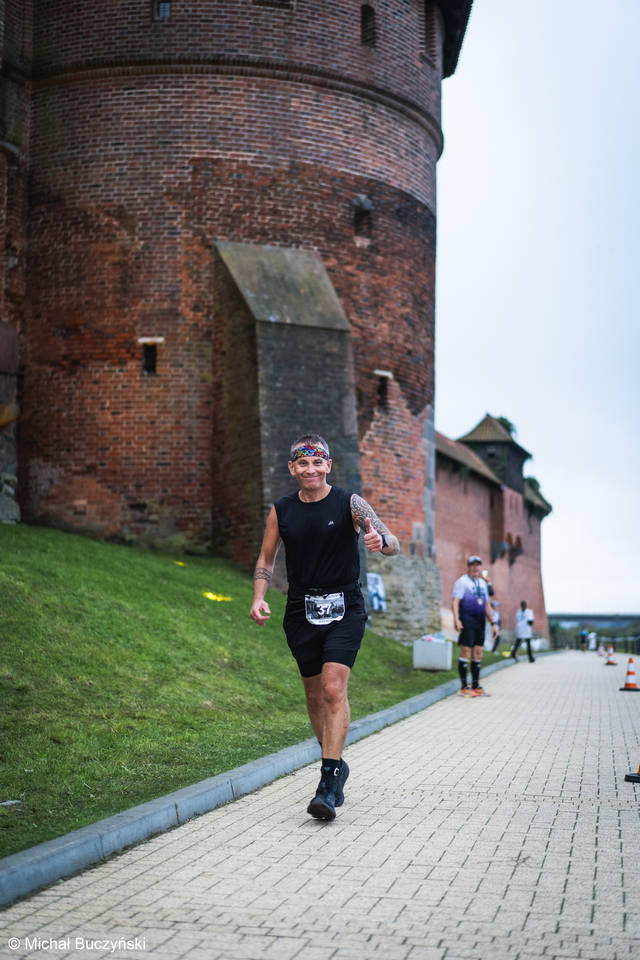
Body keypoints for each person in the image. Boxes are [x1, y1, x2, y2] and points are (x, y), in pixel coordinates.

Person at [249, 433, 399, 821]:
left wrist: (379, 539)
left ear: (328, 465)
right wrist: (259, 596)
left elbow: (394, 542)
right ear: (292, 468)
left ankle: (327, 784)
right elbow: (266, 558)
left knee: (333, 689)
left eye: (318, 462)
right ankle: (336, 761)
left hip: (345, 606)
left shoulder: (351, 503)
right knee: (315, 697)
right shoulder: (281, 510)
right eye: (303, 463)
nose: (311, 469)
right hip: (301, 609)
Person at [452, 555, 498, 697]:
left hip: (480, 621)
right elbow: (455, 602)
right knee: (466, 651)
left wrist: (493, 623)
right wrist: (456, 620)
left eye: (478, 565)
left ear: (480, 567)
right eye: (473, 565)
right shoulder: (462, 582)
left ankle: (476, 685)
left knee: (478, 652)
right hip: (467, 620)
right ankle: (464, 687)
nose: (475, 567)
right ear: (468, 566)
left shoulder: (483, 584)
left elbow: (487, 605)